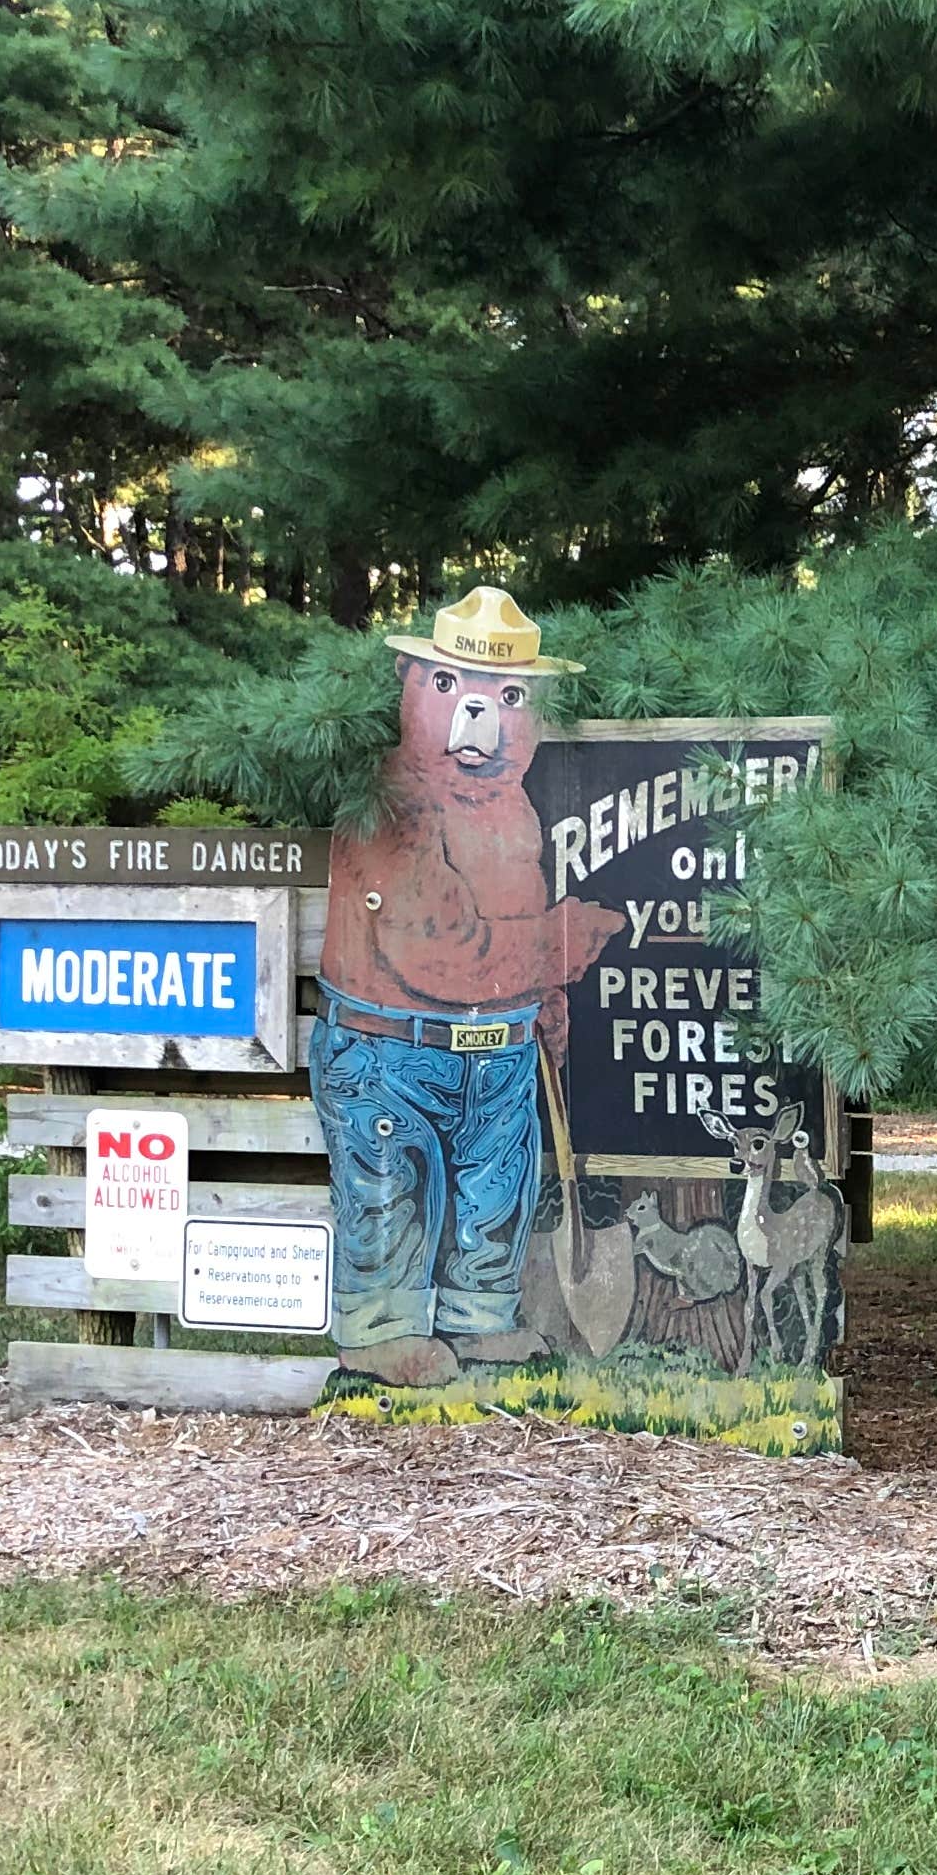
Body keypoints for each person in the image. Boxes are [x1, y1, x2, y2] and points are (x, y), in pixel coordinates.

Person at [315, 588, 626, 1386]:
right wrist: (558, 947)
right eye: (451, 688)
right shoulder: (392, 805)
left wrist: (541, 1003)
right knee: (388, 1186)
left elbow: (510, 909)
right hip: (391, 1051)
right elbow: (440, 950)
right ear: (410, 685)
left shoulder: (509, 807)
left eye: (509, 697)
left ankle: (480, 1318)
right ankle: (380, 1329)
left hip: (499, 1052)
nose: (480, 714)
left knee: (496, 1185)